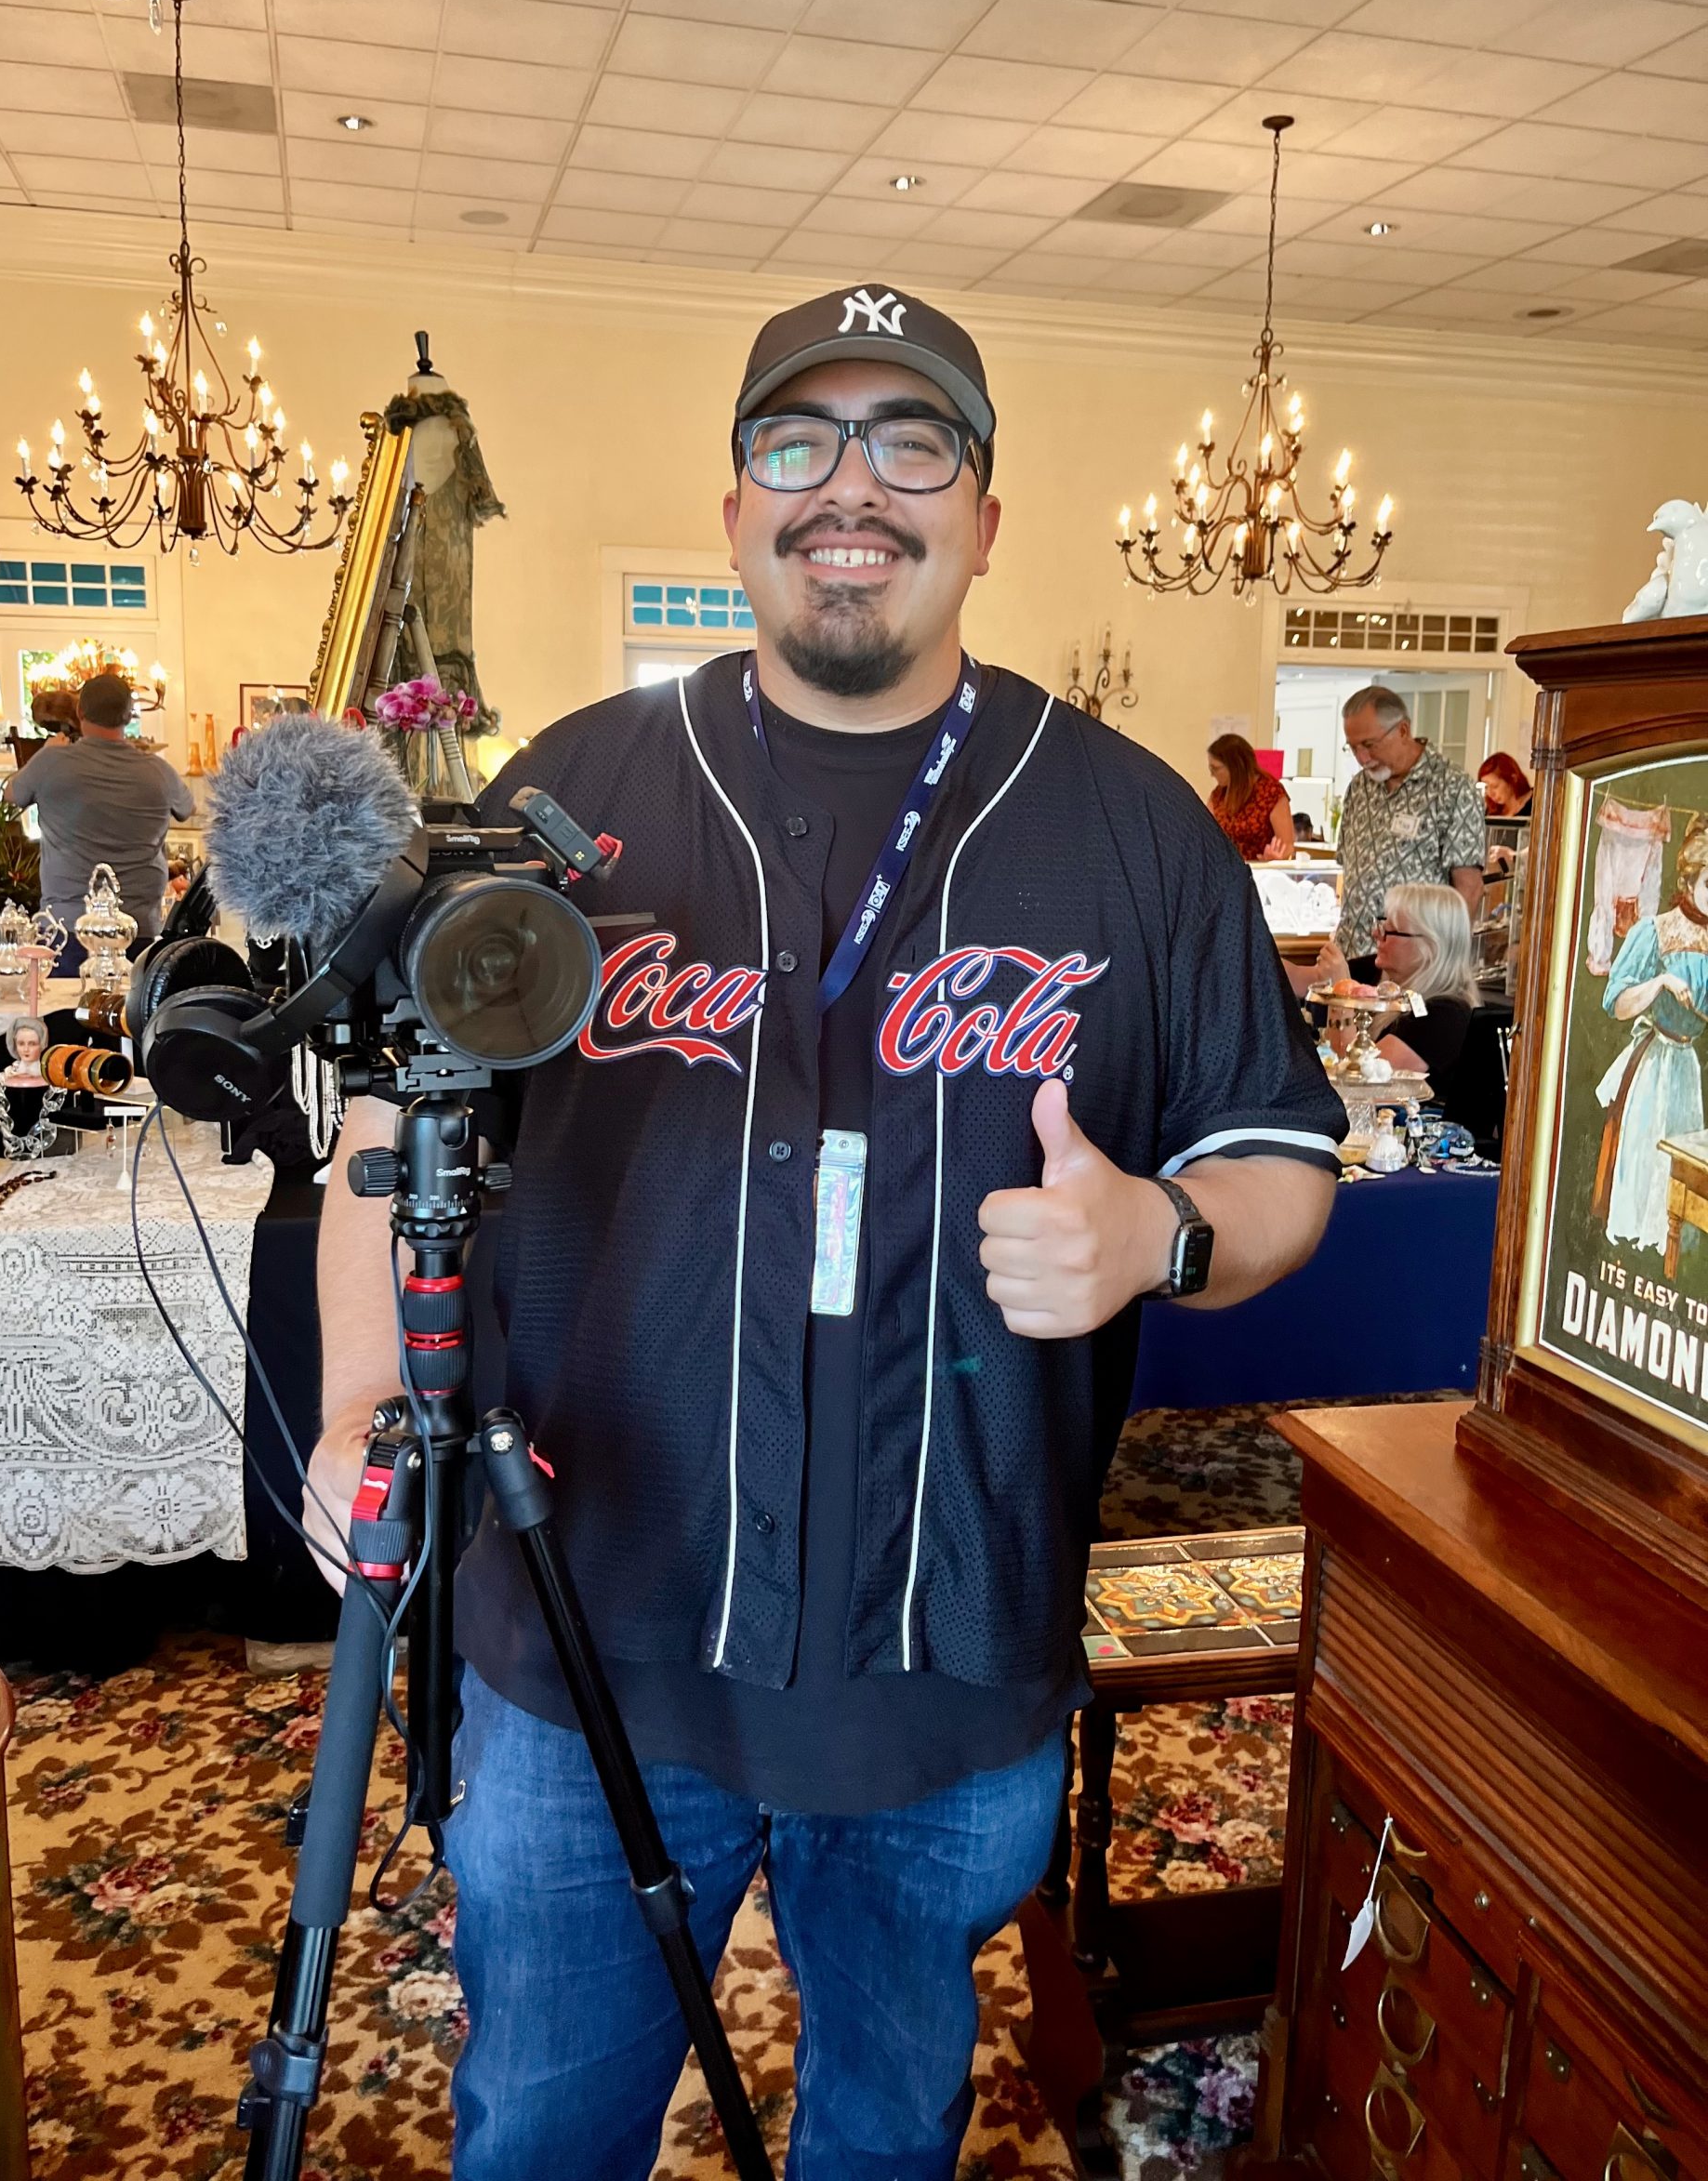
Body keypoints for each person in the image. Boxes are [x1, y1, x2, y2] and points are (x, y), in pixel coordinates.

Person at [306, 284, 1347, 2181]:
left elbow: (1284, 1163)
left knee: (889, 2129)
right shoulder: (569, 797)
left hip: (951, 1670)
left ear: (985, 518)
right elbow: (387, 1127)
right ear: (735, 513)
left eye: (910, 441)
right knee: (541, 2130)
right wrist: (361, 1398)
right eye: (797, 441)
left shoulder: (1130, 828)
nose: (848, 486)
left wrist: (1162, 1236)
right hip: (586, 1648)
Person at [5, 673, 193, 949]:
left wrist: (43, 752)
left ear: (80, 712)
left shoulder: (50, 761)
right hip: (137, 930)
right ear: (129, 716)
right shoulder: (159, 771)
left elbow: (11, 794)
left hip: (66, 929)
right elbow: (187, 808)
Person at [1593, 820, 1708, 1254]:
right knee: (1645, 1155)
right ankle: (1633, 1249)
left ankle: (1673, 1250)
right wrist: (1659, 982)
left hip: (1687, 1066)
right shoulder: (1655, 931)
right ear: (1689, 882)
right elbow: (1617, 1002)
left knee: (1684, 1163)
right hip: (1655, 1061)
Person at [1334, 686, 1485, 969]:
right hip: (1353, 956)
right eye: (1353, 748)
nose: (1362, 758)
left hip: (1415, 966)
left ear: (1403, 730)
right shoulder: (1359, 788)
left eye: (1369, 744)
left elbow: (1469, 889)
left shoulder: (1452, 788)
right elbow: (1352, 875)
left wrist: (1448, 965)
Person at [1330, 882, 1479, 1104]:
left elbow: (1361, 1086)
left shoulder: (1446, 1015)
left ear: (1429, 947)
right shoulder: (1395, 989)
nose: (1375, 934)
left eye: (1388, 931)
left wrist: (1341, 992)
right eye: (1380, 925)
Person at [1207, 734, 1293, 861]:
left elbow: (1287, 846)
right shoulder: (1218, 795)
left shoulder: (1271, 793)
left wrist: (1274, 858)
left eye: (1215, 768)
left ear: (1235, 767)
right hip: (1225, 869)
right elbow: (1207, 836)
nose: (1212, 774)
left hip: (1259, 869)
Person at [1478, 750, 1532, 879]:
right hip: (1496, 881)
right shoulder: (1490, 810)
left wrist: (1514, 855)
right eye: (1486, 787)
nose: (1490, 793)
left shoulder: (1537, 803)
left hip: (1524, 879)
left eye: (1495, 786)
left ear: (1513, 779)